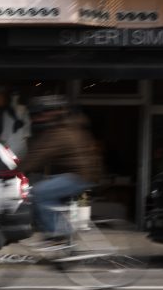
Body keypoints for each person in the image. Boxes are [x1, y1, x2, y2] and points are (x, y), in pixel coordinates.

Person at [17, 95, 101, 244]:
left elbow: (38, 155)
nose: (36, 119)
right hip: (76, 174)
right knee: (43, 189)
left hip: (80, 176)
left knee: (39, 192)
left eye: (39, 114)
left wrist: (16, 171)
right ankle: (61, 233)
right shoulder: (62, 127)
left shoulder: (60, 131)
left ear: (51, 112)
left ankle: (60, 233)